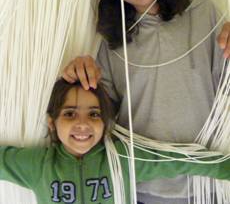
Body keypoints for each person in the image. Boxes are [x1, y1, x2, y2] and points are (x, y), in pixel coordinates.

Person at [62, 0, 230, 203]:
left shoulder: (202, 11)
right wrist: (76, 77)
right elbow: (97, 115)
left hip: (210, 183)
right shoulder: (112, 44)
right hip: (144, 190)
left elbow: (225, 89)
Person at [1, 78, 230, 204]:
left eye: (94, 114)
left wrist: (224, 167)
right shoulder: (39, 165)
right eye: (70, 114)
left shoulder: (121, 159)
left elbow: (174, 160)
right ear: (52, 122)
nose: (83, 124)